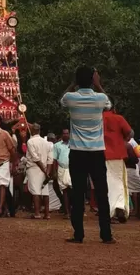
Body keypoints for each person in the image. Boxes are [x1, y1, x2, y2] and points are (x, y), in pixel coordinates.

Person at [61, 66, 114, 244]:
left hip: (77, 153)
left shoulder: (71, 98)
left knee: (77, 194)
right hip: (96, 152)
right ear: (93, 79)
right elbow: (109, 105)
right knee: (101, 193)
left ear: (77, 80)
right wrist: (99, 85)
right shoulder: (100, 98)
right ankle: (106, 234)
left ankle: (78, 234)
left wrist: (72, 84)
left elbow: (61, 100)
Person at [101, 105, 134, 223]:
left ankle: (108, 211)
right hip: (117, 155)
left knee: (105, 184)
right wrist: (123, 140)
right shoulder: (118, 118)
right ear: (113, 107)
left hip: (100, 155)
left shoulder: (97, 118)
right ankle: (118, 208)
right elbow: (130, 132)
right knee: (119, 182)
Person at [23, 124, 53, 219]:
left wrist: (44, 170)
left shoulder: (30, 141)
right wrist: (47, 172)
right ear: (39, 131)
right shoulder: (47, 142)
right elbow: (50, 159)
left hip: (34, 168)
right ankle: (47, 214)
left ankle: (37, 213)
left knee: (36, 191)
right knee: (45, 191)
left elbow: (35, 158)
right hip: (44, 169)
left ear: (32, 130)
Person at [50, 128, 72, 214]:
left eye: (67, 133)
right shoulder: (57, 145)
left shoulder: (73, 144)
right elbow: (54, 159)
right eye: (64, 133)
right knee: (64, 190)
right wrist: (54, 172)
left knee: (72, 190)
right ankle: (66, 211)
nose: (65, 135)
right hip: (61, 169)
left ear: (69, 134)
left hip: (71, 169)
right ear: (61, 135)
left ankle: (72, 209)